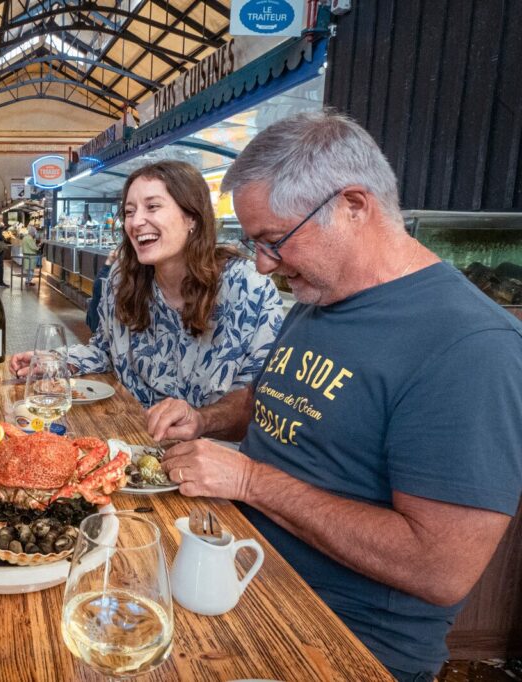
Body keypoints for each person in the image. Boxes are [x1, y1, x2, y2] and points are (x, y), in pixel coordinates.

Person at [152, 112, 522, 681]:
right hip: (242, 572)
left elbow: (440, 567)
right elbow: (279, 395)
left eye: (273, 241)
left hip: (336, 639)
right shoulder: (322, 296)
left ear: (353, 205)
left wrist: (251, 481)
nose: (261, 264)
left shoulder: (470, 346)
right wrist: (203, 420)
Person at [9, 160, 284, 412]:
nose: (136, 221)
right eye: (129, 211)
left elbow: (263, 395)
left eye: (152, 207)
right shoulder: (120, 279)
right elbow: (105, 350)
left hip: (213, 452)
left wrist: (203, 422)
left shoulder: (248, 287)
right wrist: (56, 361)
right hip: (134, 438)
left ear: (193, 218)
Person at [86, 247, 118, 332]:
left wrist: (108, 263)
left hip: (102, 326)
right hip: (100, 326)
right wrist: (108, 263)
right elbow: (98, 287)